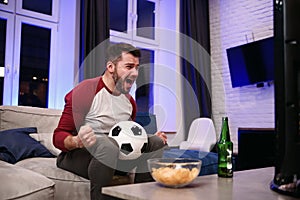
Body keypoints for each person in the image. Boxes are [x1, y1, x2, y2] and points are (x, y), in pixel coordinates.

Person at [53, 42, 167, 200]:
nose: (135, 73)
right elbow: (58, 136)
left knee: (155, 142)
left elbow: (125, 135)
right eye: (128, 66)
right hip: (79, 155)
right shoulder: (85, 91)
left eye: (137, 67)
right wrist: (76, 140)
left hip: (114, 157)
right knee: (108, 145)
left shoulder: (129, 102)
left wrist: (145, 138)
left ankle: (142, 196)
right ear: (111, 67)